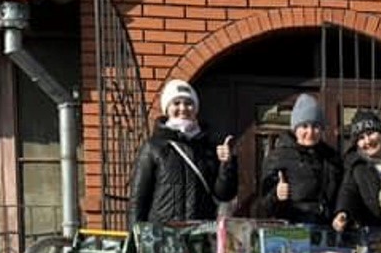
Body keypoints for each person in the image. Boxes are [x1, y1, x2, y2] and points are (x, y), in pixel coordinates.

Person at [128, 79, 239, 227]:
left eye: (188, 103)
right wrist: (136, 239)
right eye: (176, 103)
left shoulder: (208, 147)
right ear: (167, 108)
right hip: (163, 234)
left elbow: (224, 194)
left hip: (200, 233)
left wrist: (227, 164)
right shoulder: (153, 147)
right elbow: (139, 198)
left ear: (196, 109)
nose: (183, 108)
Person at [259, 94, 343, 225]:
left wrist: (341, 213)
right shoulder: (278, 157)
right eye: (304, 126)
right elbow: (262, 207)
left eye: (315, 126)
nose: (310, 132)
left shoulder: (331, 157)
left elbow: (341, 194)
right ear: (295, 129)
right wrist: (276, 195)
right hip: (291, 233)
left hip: (326, 231)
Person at [333, 108, 381, 234]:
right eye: (361, 138)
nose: (367, 141)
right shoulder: (356, 166)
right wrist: (343, 212)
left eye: (371, 133)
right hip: (374, 236)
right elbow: (348, 192)